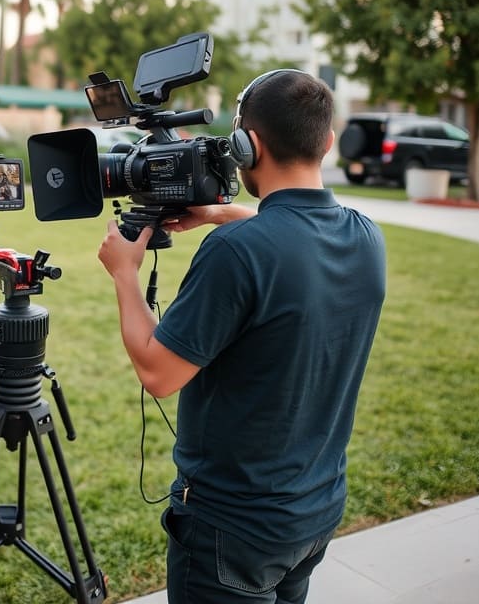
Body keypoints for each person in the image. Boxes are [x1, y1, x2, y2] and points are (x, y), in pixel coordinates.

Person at [97, 69, 386, 604]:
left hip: (232, 528)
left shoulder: (238, 253)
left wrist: (124, 274)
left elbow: (159, 373)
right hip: (315, 512)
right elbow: (295, 233)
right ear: (326, 141)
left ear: (245, 146)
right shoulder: (367, 237)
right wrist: (224, 214)